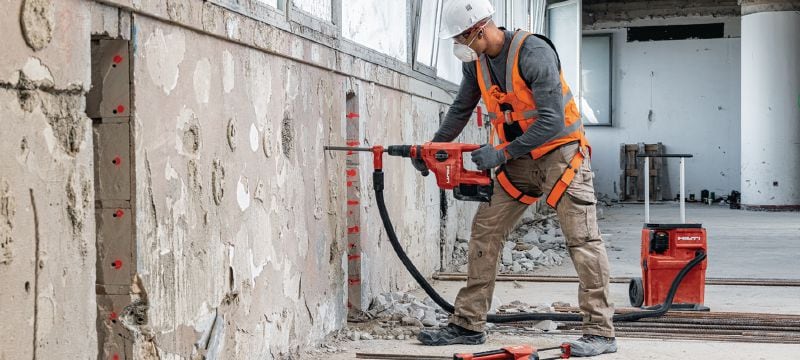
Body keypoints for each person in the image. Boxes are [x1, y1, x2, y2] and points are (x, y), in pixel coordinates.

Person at [414, 0, 616, 356]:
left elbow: (551, 120)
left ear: (480, 29)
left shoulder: (532, 51)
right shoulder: (476, 64)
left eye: (463, 37)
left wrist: (501, 154)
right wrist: (434, 148)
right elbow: (462, 108)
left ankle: (600, 332)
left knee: (583, 241)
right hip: (520, 163)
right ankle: (468, 323)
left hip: (560, 157)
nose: (460, 45)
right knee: (485, 232)